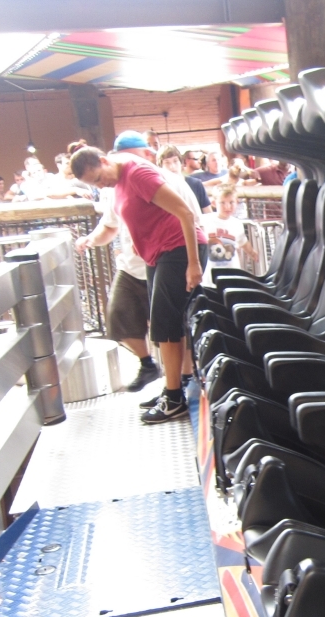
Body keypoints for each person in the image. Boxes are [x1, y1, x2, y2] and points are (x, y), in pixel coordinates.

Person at [71, 142, 208, 424]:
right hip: (158, 254)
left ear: (104, 160)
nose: (101, 185)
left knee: (165, 326)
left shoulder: (137, 174)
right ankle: (175, 387)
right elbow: (123, 222)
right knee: (167, 324)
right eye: (95, 184)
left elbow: (185, 213)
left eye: (99, 178)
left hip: (178, 249)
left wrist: (193, 263)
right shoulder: (117, 184)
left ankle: (174, 398)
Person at [75, 188, 160, 392]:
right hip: (129, 269)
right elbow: (109, 226)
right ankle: (148, 365)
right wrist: (90, 239)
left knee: (169, 330)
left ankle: (181, 383)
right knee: (117, 315)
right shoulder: (116, 193)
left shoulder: (157, 186)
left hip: (161, 266)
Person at [203, 183, 257, 277]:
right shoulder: (204, 220)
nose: (227, 207)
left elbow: (243, 242)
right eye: (222, 203)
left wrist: (253, 254)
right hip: (209, 274)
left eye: (231, 202)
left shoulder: (237, 224)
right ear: (214, 203)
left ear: (237, 202)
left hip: (232, 273)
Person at [156, 144, 212, 213]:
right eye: (167, 163)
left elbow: (208, 212)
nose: (172, 166)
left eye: (175, 161)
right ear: (160, 167)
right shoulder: (161, 189)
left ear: (181, 163)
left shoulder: (196, 184)